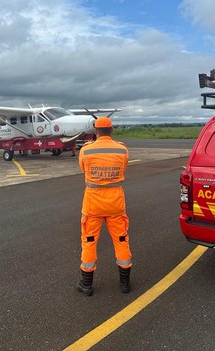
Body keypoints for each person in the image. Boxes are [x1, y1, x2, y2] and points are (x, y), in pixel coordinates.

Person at [76, 116, 132, 296]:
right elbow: (123, 170)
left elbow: (83, 169)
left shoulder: (86, 151)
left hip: (93, 205)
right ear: (112, 130)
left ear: (95, 131)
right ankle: (124, 283)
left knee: (89, 242)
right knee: (122, 241)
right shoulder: (122, 150)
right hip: (116, 204)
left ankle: (86, 284)